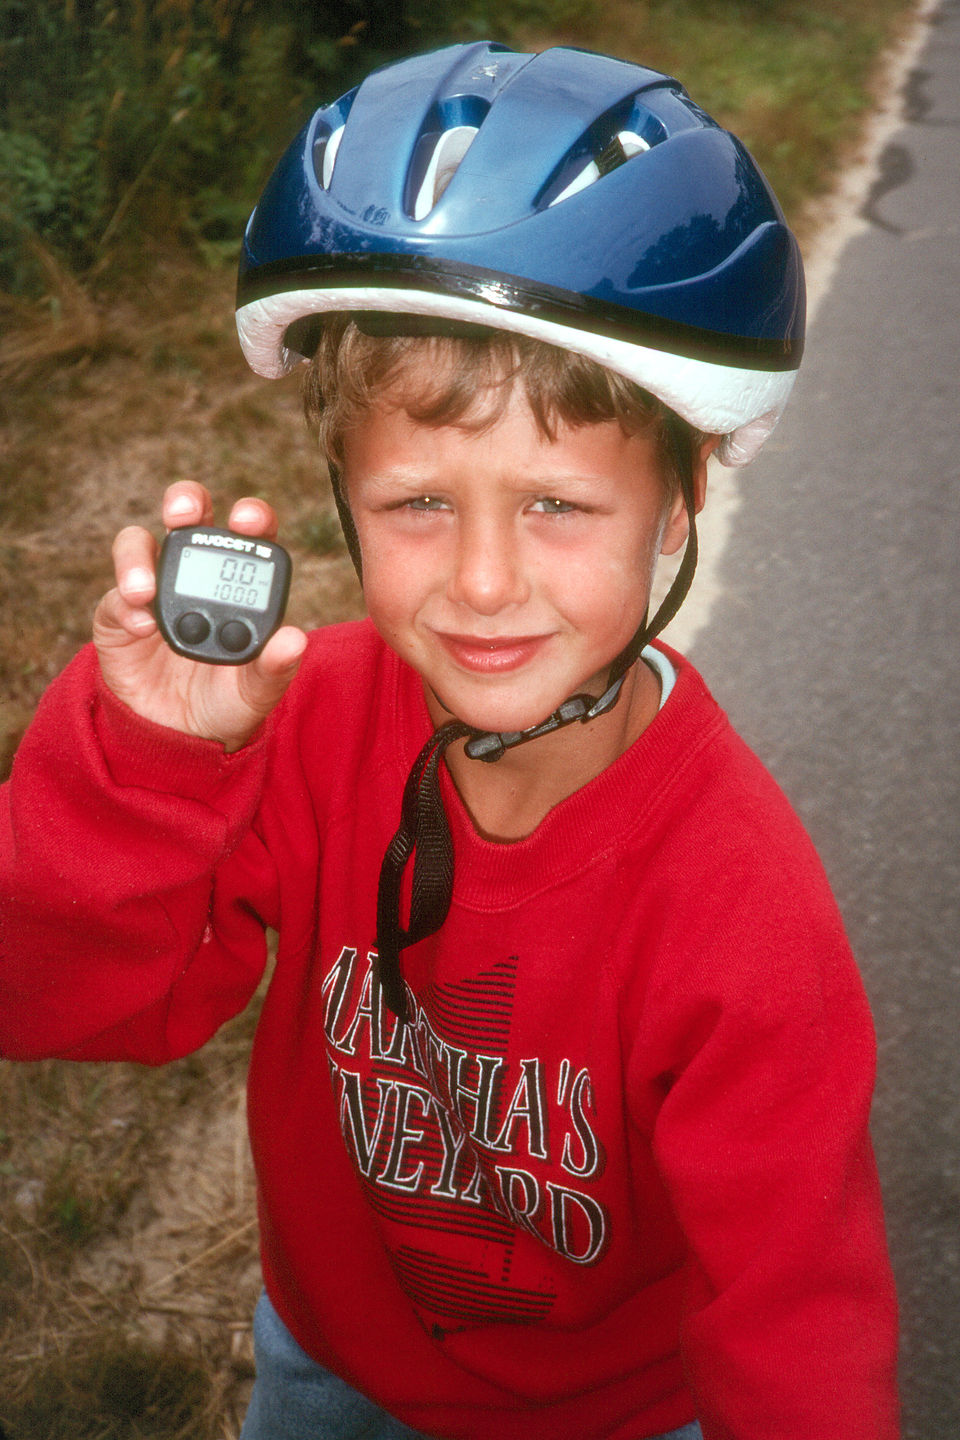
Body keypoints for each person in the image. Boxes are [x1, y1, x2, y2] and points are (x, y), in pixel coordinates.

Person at [0, 41, 898, 1440]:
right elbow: (67, 1001)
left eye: (557, 505)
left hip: (614, 1415)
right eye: (419, 502)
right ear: (340, 496)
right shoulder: (313, 725)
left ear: (676, 511)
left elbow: (799, 1327)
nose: (482, 582)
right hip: (325, 1365)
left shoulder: (742, 907)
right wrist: (153, 769)